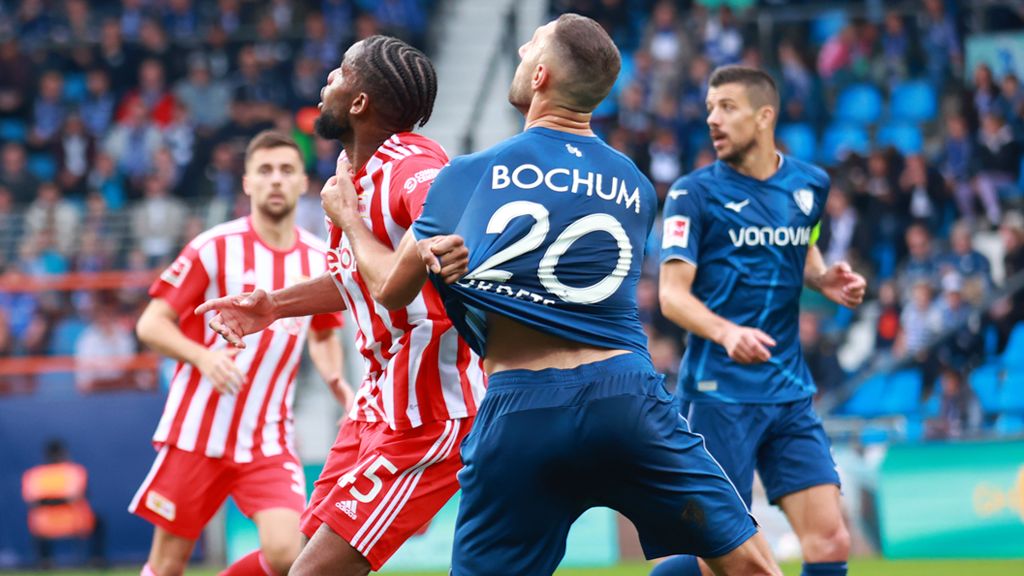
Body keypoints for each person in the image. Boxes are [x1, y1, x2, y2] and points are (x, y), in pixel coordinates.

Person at [404, 15, 780, 575]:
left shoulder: (472, 173)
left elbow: (393, 288)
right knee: (749, 565)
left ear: (540, 76)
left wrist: (353, 220)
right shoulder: (633, 183)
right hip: (624, 399)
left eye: (529, 46)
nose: (522, 50)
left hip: (519, 409)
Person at [196, 36, 486, 576]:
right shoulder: (348, 178)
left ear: (359, 104)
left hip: (429, 413)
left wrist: (357, 221)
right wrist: (275, 306)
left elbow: (436, 235)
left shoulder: (411, 163)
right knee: (292, 559)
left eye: (340, 73)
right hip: (377, 403)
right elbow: (360, 276)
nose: (327, 77)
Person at [655, 65, 867, 576]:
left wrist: (822, 278)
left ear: (764, 115)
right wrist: (727, 332)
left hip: (788, 390)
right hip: (718, 394)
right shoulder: (694, 193)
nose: (713, 119)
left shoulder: (810, 184)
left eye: (726, 107)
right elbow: (671, 296)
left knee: (832, 539)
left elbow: (803, 243)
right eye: (709, 108)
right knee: (725, 559)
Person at [130, 130, 349, 576]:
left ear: (302, 182)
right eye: (264, 171)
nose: (275, 180)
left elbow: (324, 333)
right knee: (168, 565)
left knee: (291, 555)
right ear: (247, 183)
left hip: (268, 437)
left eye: (286, 171)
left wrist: (336, 383)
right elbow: (149, 324)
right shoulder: (213, 248)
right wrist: (203, 356)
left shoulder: (319, 260)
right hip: (197, 432)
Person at [22, 439, 100, 568]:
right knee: (98, 521)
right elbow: (79, 496)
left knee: (35, 520)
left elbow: (33, 501)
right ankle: (96, 559)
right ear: (64, 453)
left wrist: (50, 502)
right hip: (75, 522)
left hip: (44, 525)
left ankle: (44, 560)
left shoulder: (34, 474)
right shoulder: (74, 472)